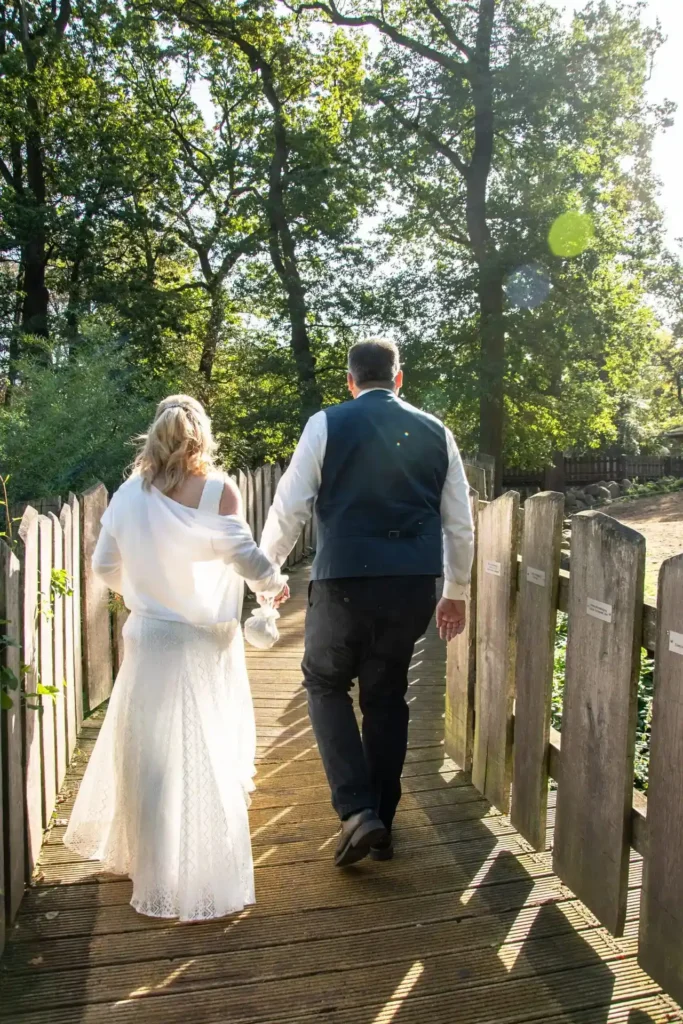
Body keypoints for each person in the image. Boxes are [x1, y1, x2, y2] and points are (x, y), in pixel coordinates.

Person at [64, 395, 288, 921]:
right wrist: (272, 585)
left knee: (149, 754)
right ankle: (200, 869)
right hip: (202, 640)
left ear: (155, 435)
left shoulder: (128, 493)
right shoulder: (217, 491)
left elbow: (104, 566)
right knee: (204, 747)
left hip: (148, 636)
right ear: (201, 438)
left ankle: (149, 864)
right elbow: (242, 554)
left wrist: (144, 593)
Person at [260, 339, 474, 867]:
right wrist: (456, 593)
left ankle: (357, 810)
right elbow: (459, 521)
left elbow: (290, 507)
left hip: (344, 580)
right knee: (386, 695)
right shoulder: (436, 431)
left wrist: (268, 574)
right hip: (412, 583)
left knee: (325, 682)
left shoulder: (326, 424)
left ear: (350, 381)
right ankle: (383, 821)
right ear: (398, 378)